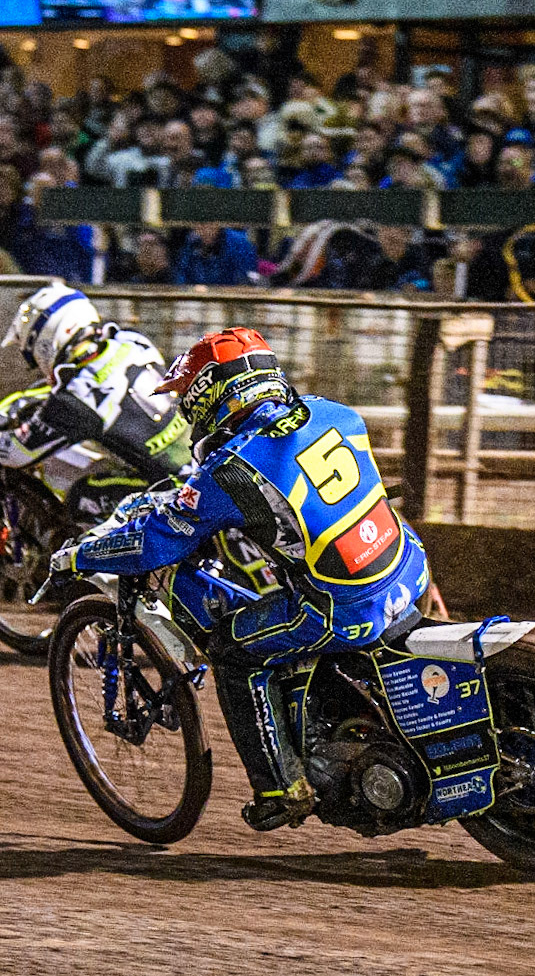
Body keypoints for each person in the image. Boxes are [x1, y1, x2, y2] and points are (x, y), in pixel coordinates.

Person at [48, 328, 432, 832]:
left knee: (232, 650)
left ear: (214, 394)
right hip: (409, 564)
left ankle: (282, 789)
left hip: (345, 608)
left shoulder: (232, 470)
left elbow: (155, 544)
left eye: (189, 400)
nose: (186, 413)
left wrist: (79, 556)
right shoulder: (332, 411)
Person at [0, 284, 194, 485]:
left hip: (166, 488)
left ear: (46, 340)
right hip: (196, 459)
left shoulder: (76, 399)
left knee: (83, 494)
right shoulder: (132, 340)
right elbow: (98, 383)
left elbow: (18, 452)